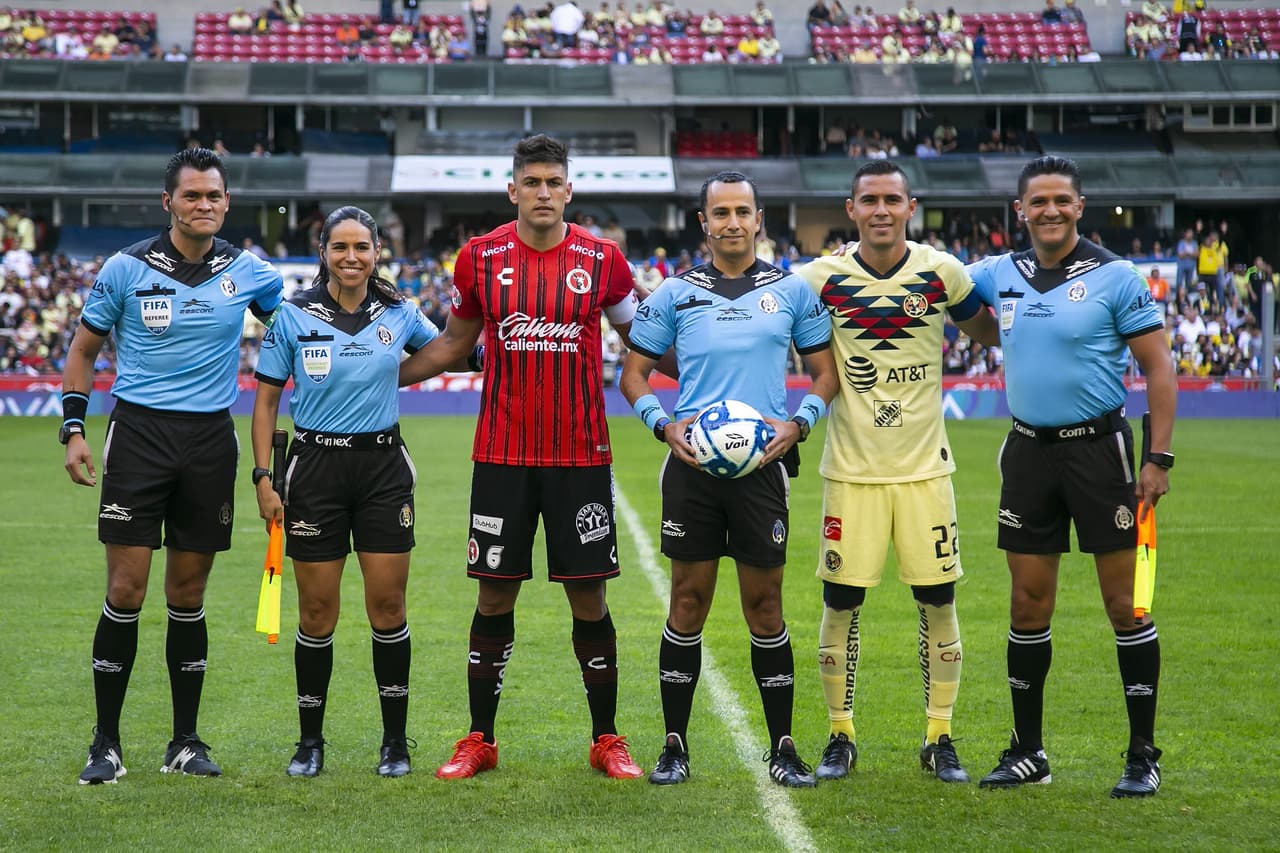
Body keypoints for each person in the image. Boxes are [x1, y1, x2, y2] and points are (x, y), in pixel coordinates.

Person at [396, 134, 646, 781]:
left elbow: (642, 340)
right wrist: (374, 375)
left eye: (552, 181)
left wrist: (712, 369)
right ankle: (479, 738)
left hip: (580, 456)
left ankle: (607, 738)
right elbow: (453, 344)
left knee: (588, 597)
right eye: (530, 181)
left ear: (569, 189)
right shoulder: (478, 260)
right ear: (513, 189)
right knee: (494, 596)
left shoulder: (603, 259)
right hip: (502, 456)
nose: (541, 191)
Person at [60, 148, 284, 784]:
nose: (204, 206)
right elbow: (82, 352)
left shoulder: (248, 272)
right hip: (138, 437)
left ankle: (184, 742)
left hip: (210, 442)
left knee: (188, 595)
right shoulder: (126, 269)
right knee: (126, 590)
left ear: (226, 203)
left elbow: (299, 325)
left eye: (214, 196)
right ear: (169, 203)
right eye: (192, 196)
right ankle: (106, 742)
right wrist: (73, 430)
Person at [619, 170, 839, 788]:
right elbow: (633, 375)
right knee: (686, 602)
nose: (733, 222)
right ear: (704, 222)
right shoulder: (673, 293)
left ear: (759, 218)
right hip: (691, 471)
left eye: (744, 211)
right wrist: (664, 426)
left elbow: (825, 375)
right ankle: (673, 746)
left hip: (763, 469)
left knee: (765, 607)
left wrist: (799, 423)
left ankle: (784, 748)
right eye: (722, 213)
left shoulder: (792, 291)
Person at [967, 156, 1177, 798]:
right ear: (1020, 211)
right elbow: (956, 304)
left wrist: (1157, 458)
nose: (1051, 210)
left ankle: (1143, 754)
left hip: (1101, 456)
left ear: (1079, 206)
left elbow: (1159, 369)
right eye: (1039, 201)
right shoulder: (997, 273)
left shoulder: (1116, 277)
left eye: (1063, 200)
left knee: (1125, 605)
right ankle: (1029, 751)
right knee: (1027, 604)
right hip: (1028, 453)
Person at [798, 160, 999, 785]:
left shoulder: (942, 273)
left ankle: (939, 735)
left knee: (938, 600)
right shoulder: (817, 279)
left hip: (925, 474)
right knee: (840, 602)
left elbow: (991, 330)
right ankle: (840, 734)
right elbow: (763, 325)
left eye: (892, 199)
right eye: (869, 200)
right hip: (851, 473)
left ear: (911, 206)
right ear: (850, 208)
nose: (881, 210)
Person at [252, 207, 446, 778]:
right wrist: (264, 478)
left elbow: (449, 351)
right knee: (317, 613)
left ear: (377, 251)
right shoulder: (292, 316)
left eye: (362, 246)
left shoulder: (401, 313)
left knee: (387, 608)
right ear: (324, 252)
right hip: (314, 471)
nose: (352, 257)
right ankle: (310, 742)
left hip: (384, 470)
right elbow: (265, 403)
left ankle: (395, 742)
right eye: (340, 247)